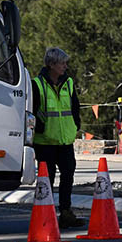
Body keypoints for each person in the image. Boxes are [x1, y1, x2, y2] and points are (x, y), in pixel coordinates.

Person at [31, 47, 84, 228]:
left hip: (65, 140)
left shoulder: (68, 83)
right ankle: (44, 214)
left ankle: (66, 213)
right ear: (52, 64)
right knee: (47, 179)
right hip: (45, 141)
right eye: (62, 63)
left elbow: (74, 106)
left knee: (68, 175)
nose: (65, 66)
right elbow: (32, 111)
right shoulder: (36, 84)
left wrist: (76, 125)